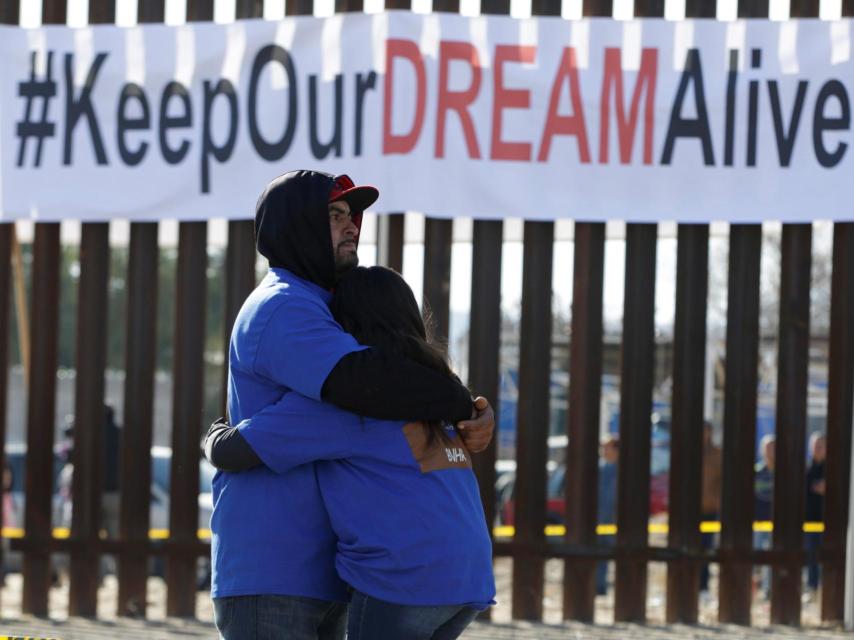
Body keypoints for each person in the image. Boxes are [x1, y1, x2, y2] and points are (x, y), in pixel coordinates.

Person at [209, 170, 495, 640]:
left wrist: (463, 408)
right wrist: (458, 402)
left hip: (335, 570)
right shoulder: (285, 305)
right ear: (296, 224)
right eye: (334, 215)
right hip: (277, 564)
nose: (352, 227)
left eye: (352, 216)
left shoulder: (329, 305)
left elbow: (391, 368)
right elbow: (365, 382)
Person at [700, 421, 721, 595]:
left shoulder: (717, 455)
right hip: (690, 510)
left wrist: (717, 499)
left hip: (710, 509)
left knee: (707, 548)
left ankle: (704, 585)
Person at [804, 432, 826, 597]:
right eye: (816, 445)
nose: (818, 449)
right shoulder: (806, 468)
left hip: (828, 521)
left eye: (821, 445)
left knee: (827, 555)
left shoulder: (832, 469)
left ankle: (826, 589)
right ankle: (812, 587)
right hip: (810, 520)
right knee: (811, 555)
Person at [596, 435, 618, 596]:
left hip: (614, 521)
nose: (604, 451)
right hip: (599, 520)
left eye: (607, 448)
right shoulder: (599, 469)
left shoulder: (621, 470)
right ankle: (599, 587)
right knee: (599, 555)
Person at [754, 434, 775, 599]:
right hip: (758, 521)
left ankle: (768, 589)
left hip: (774, 521)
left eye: (773, 447)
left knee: (771, 555)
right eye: (767, 448)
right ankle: (755, 587)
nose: (770, 451)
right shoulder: (757, 471)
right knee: (756, 556)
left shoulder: (782, 472)